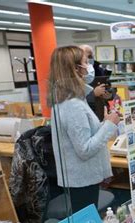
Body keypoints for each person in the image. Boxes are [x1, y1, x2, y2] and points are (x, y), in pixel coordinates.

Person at [48, 46, 120, 213]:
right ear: (75, 69)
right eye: (86, 63)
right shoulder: (73, 105)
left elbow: (85, 136)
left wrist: (106, 123)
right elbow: (85, 149)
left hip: (82, 178)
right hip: (82, 180)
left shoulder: (70, 100)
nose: (90, 67)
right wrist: (109, 125)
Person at [80, 44, 112, 121]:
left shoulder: (99, 70)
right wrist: (93, 94)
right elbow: (76, 101)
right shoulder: (74, 75)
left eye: (91, 57)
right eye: (87, 56)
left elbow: (109, 88)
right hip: (87, 115)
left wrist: (109, 94)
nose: (89, 59)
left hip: (101, 111)